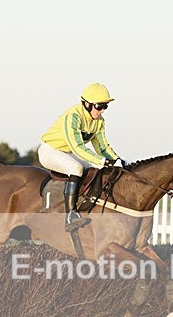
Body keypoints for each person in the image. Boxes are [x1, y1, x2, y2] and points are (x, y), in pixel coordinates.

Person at [39, 83, 122, 232]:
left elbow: (102, 147)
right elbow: (77, 147)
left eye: (105, 107)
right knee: (76, 168)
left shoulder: (99, 122)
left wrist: (117, 160)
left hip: (67, 153)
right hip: (50, 151)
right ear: (87, 104)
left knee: (96, 168)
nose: (102, 111)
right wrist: (102, 161)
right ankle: (70, 215)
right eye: (99, 106)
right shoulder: (73, 116)